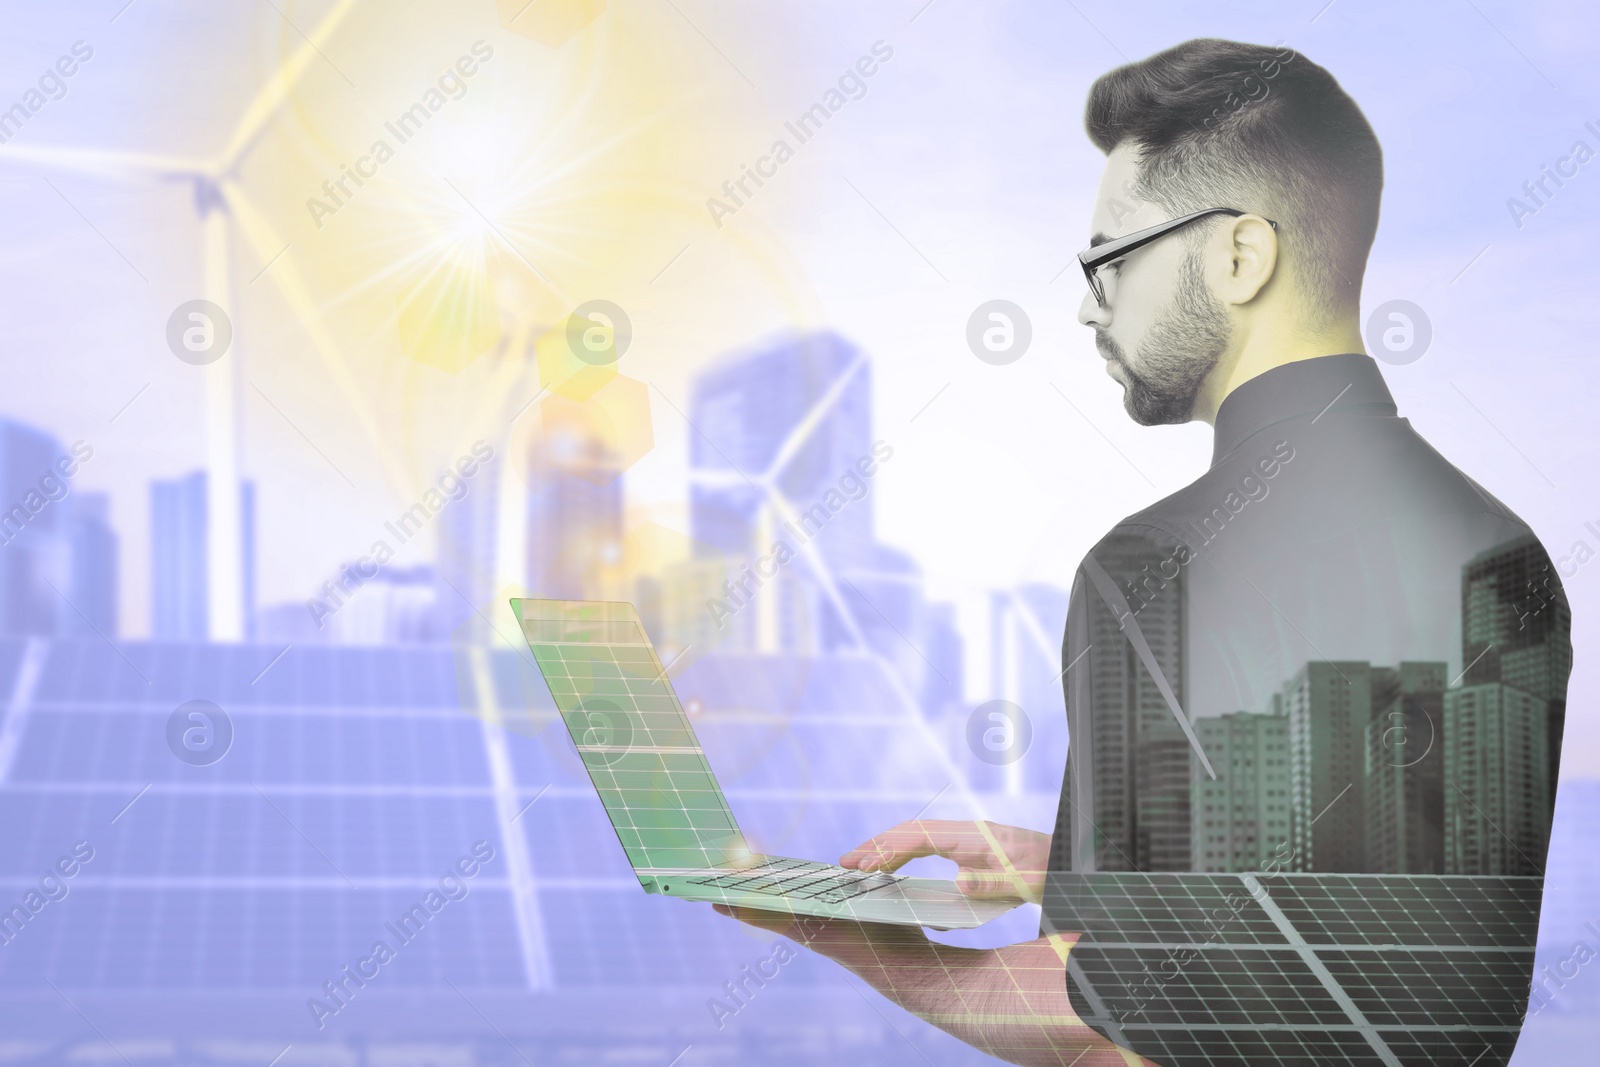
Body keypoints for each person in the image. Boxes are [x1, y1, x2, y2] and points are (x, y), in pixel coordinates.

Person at [717, 37, 1569, 1067]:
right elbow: (1381, 932)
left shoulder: (1153, 566)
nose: (1088, 300)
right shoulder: (1501, 553)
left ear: (1239, 256)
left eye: (1110, 256)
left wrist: (841, 930)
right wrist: (1062, 867)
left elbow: (1099, 1024)